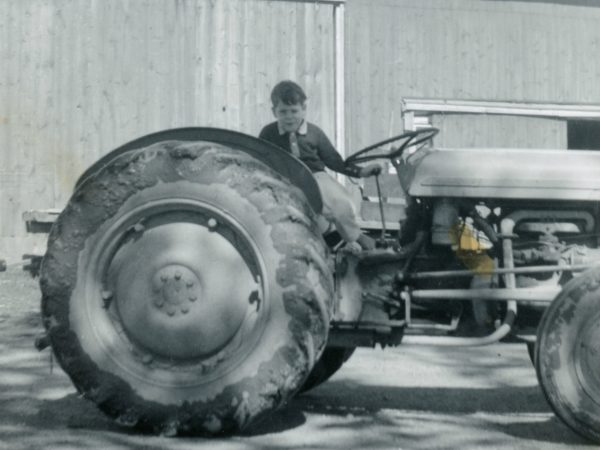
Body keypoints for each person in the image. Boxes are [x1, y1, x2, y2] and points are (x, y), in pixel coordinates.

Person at [259, 80, 382, 251]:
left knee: (340, 202)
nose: (289, 117)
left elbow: (334, 160)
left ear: (304, 110)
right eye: (283, 112)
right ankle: (333, 241)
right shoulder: (268, 133)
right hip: (285, 178)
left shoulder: (314, 133)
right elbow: (260, 157)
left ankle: (356, 236)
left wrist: (361, 172)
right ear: (274, 112)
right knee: (303, 211)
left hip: (315, 175)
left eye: (294, 111)